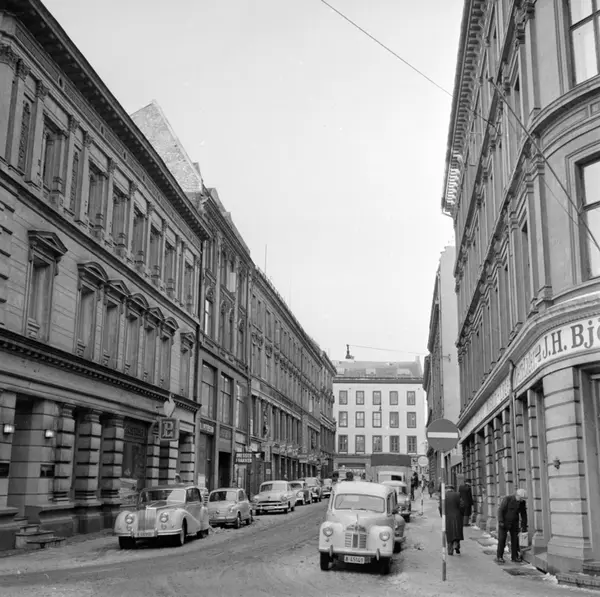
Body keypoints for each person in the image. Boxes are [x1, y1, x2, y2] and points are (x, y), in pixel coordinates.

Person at [495, 488, 528, 564]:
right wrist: (501, 521)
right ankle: (499, 556)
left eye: (523, 499)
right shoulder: (507, 499)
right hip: (504, 522)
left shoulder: (522, 502)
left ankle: (514, 557)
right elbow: (500, 510)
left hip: (514, 523)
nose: (522, 500)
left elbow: (524, 515)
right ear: (517, 495)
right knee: (502, 539)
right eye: (521, 498)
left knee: (515, 540)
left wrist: (524, 526)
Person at [439, 484, 464, 555]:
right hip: (457, 516)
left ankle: (450, 551)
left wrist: (442, 516)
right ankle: (456, 544)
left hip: (447, 517)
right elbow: (462, 505)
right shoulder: (458, 494)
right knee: (457, 531)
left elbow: (440, 507)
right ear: (453, 489)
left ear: (446, 489)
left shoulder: (443, 496)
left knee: (449, 533)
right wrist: (461, 513)